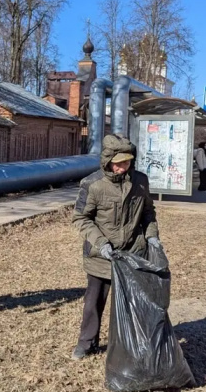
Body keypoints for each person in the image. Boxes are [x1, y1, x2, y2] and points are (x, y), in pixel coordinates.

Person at [70, 134, 160, 359]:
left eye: (127, 162)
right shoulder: (92, 184)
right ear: (107, 161)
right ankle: (86, 343)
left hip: (132, 254)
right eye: (119, 163)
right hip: (101, 257)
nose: (123, 167)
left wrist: (152, 236)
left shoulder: (140, 181)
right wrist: (101, 244)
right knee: (93, 304)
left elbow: (148, 212)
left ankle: (131, 343)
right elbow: (81, 218)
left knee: (132, 305)